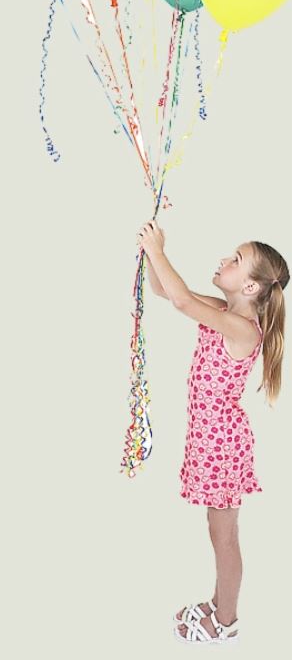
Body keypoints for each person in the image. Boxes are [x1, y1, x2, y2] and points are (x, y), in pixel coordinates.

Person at [137, 219, 290, 644]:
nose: (225, 259)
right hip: (209, 438)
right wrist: (151, 254)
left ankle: (226, 620)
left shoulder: (241, 329)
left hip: (220, 443)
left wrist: (160, 249)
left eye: (236, 260)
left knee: (224, 536)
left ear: (253, 287)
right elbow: (167, 292)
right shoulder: (225, 313)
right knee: (216, 530)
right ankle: (220, 602)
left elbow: (184, 301)